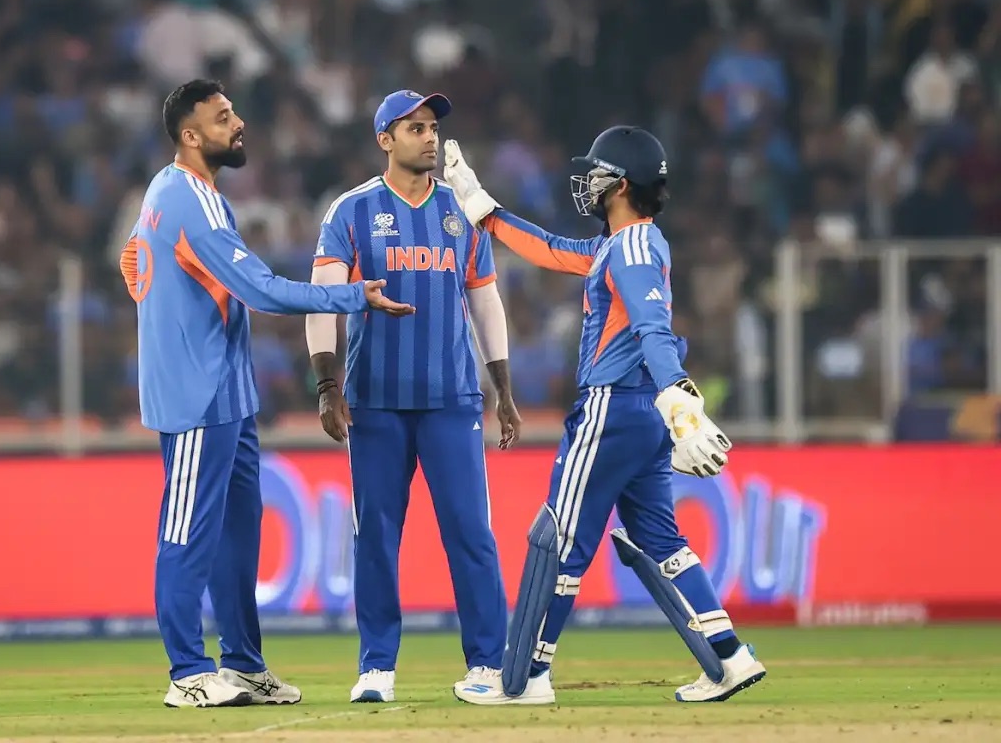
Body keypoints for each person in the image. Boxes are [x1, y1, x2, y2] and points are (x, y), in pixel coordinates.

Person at [442, 127, 767, 705]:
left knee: (559, 539)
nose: (586, 184)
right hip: (641, 415)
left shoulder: (632, 247)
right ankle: (730, 657)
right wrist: (481, 207)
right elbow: (551, 250)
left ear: (620, 185)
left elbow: (652, 328)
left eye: (596, 174)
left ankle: (525, 677)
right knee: (661, 541)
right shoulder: (625, 244)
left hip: (613, 407)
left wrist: (679, 398)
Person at [120, 79, 414, 709]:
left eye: (233, 113)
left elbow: (133, 263)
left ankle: (244, 667)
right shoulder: (187, 201)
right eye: (223, 118)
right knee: (186, 534)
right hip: (197, 399)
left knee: (236, 539)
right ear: (190, 136)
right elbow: (261, 290)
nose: (238, 124)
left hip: (228, 396)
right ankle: (187, 673)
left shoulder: (179, 192)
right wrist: (352, 295)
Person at [305, 90, 518, 703]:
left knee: (470, 533)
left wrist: (502, 389)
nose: (430, 138)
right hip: (375, 401)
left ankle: (488, 663)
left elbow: (485, 300)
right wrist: (327, 386)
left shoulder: (461, 211)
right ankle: (376, 666)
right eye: (415, 128)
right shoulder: (351, 211)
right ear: (385, 140)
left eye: (433, 128)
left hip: (452, 399)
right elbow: (322, 301)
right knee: (375, 536)